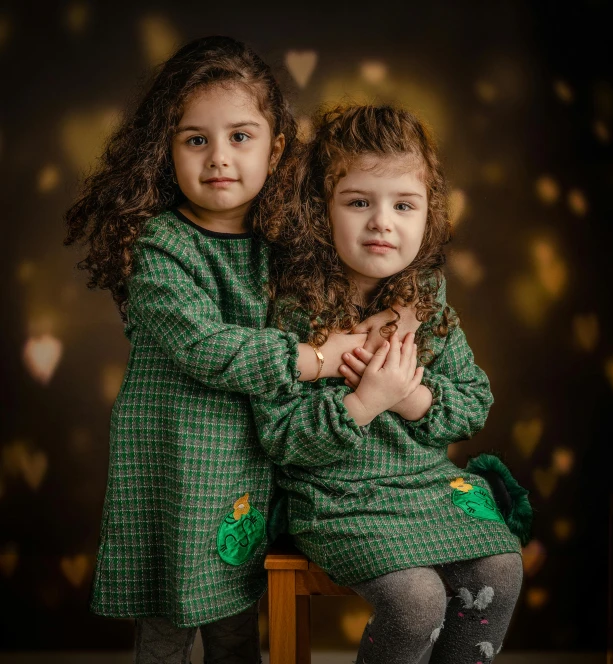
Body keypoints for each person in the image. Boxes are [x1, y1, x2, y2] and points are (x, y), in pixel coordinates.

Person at [64, 37, 406, 664]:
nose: (219, 157)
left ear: (275, 148)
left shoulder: (287, 244)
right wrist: (319, 358)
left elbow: (363, 270)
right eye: (196, 139)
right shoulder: (160, 247)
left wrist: (397, 312)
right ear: (165, 152)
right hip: (170, 467)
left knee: (235, 626)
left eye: (241, 137)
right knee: (167, 629)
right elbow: (207, 346)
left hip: (249, 467)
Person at [252, 105, 531, 664]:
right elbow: (280, 437)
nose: (383, 221)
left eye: (404, 205)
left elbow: (474, 399)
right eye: (359, 202)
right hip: (337, 496)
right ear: (320, 210)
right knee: (417, 598)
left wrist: (409, 399)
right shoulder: (294, 310)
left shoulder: (426, 301)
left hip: (427, 487)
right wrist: (363, 403)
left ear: (429, 216)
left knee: (502, 565)